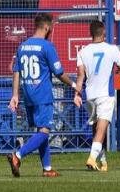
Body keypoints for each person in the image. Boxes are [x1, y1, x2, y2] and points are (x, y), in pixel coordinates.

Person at [7, 13, 80, 178]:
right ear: (47, 27)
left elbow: (16, 71)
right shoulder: (47, 46)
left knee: (42, 130)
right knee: (44, 131)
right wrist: (74, 85)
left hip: (28, 94)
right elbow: (59, 72)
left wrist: (15, 95)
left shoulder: (22, 46)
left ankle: (47, 168)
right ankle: (18, 155)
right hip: (42, 95)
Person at [76, 20, 120, 172]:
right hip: (105, 94)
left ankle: (103, 161)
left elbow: (80, 75)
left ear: (90, 33)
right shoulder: (112, 49)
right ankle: (92, 158)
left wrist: (77, 92)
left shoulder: (83, 51)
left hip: (90, 95)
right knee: (101, 129)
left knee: (97, 130)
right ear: (104, 33)